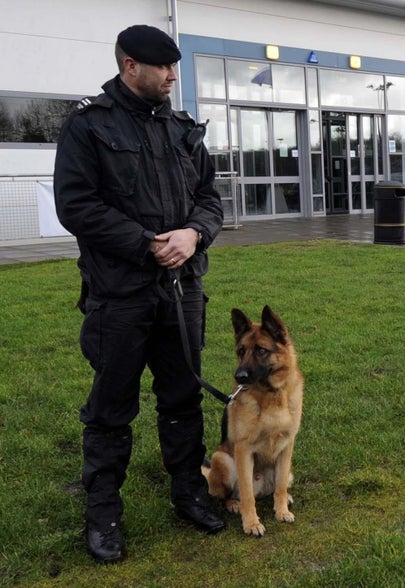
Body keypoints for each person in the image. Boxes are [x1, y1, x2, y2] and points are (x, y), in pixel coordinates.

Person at [53, 24, 225, 563]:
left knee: (182, 398)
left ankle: (190, 493)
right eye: (164, 68)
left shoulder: (183, 129)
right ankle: (103, 512)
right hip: (120, 295)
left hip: (183, 290)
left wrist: (194, 232)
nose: (175, 76)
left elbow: (210, 198)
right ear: (131, 66)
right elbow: (76, 204)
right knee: (111, 409)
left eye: (176, 67)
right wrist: (146, 243)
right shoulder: (88, 126)